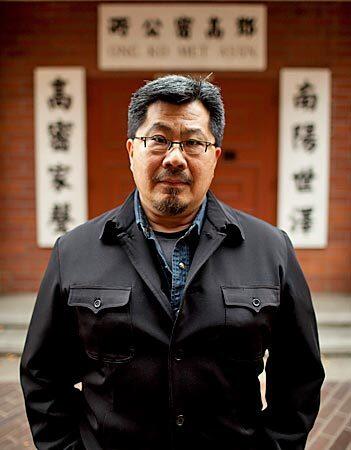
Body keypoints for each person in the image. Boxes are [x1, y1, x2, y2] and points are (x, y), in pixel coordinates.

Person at [20, 74, 325, 450]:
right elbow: (42, 376)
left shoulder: (270, 249)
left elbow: (300, 374)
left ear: (214, 156)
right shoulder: (75, 251)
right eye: (159, 139)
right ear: (132, 150)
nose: (175, 157)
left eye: (193, 142)